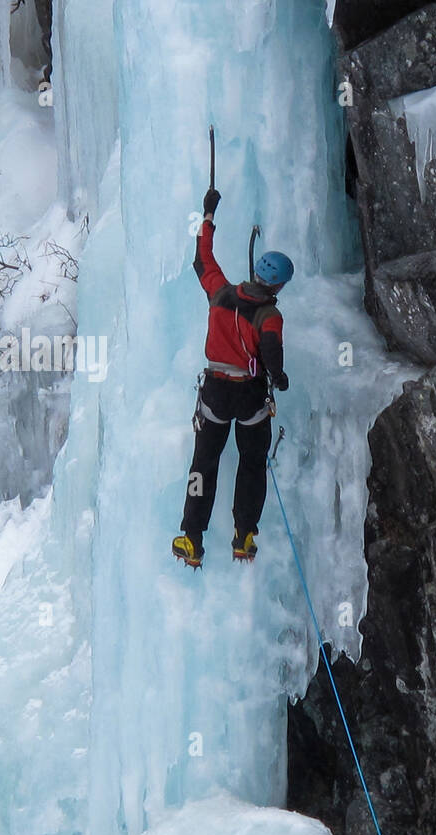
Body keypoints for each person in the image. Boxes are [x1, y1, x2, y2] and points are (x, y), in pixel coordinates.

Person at [172, 187, 293, 568]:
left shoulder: (220, 293)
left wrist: (208, 216)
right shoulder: (269, 316)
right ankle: (243, 535)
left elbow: (202, 260)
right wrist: (280, 377)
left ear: (257, 273)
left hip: (215, 392)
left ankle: (191, 537)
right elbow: (272, 353)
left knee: (203, 463)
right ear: (279, 285)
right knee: (251, 461)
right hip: (250, 394)